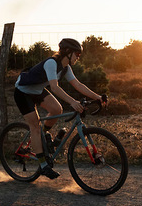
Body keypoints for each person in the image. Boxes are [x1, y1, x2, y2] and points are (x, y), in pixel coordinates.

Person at [14, 38, 106, 179]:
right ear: (68, 52)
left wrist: (98, 97)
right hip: (23, 91)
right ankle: (43, 164)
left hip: (37, 90)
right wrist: (72, 101)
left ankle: (42, 138)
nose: (78, 57)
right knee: (35, 125)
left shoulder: (66, 68)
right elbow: (54, 87)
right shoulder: (52, 63)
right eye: (77, 54)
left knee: (57, 110)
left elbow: (78, 85)